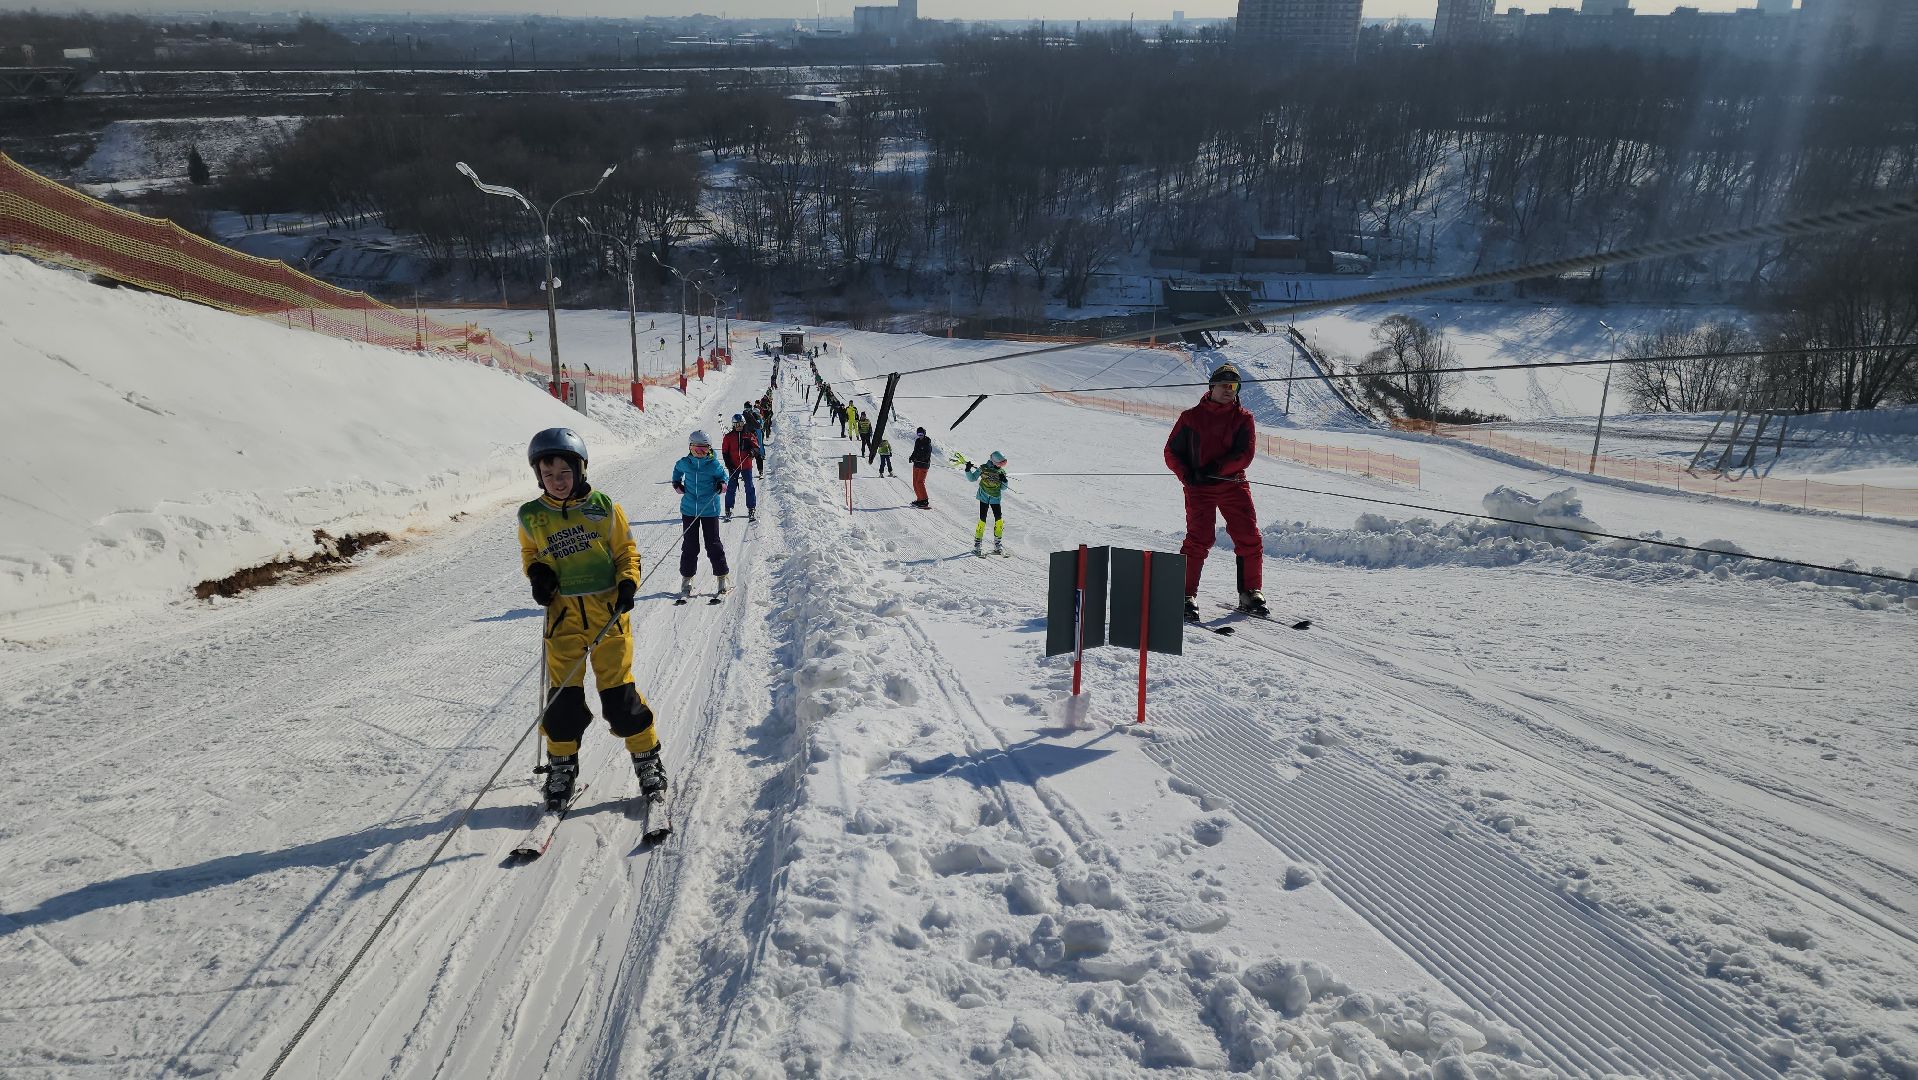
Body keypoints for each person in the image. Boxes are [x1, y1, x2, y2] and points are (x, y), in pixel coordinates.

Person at [517, 427, 664, 809]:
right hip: (562, 618)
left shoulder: (602, 506)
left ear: (580, 469)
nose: (557, 482)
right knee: (562, 700)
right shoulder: (532, 516)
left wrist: (628, 582)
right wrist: (538, 575)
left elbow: (625, 552)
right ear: (538, 476)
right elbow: (531, 554)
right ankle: (562, 766)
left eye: (565, 473)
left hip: (606, 614)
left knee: (619, 696)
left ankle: (647, 759)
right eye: (548, 475)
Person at [1164, 363, 1266, 619]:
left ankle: (1250, 591)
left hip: (1233, 483)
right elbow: (1172, 452)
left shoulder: (1244, 418)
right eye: (1224, 385)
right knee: (1199, 538)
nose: (1229, 391)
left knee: (1248, 537)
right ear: (1212, 387)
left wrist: (1218, 468)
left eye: (1234, 386)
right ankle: (1183, 594)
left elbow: (1245, 454)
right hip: (1200, 487)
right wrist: (1187, 475)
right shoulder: (1191, 418)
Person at [671, 430, 730, 601]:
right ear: (690, 448)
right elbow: (676, 471)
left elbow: (723, 477)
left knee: (713, 544)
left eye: (703, 450)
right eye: (696, 449)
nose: (699, 453)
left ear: (709, 450)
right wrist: (676, 483)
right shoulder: (685, 463)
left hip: (709, 510)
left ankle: (721, 577)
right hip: (689, 509)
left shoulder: (713, 464)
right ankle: (687, 579)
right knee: (690, 545)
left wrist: (721, 485)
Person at [953, 449, 1010, 556]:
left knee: (999, 520)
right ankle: (977, 545)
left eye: (1003, 464)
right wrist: (967, 470)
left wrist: (1004, 480)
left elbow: (1003, 488)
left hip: (995, 498)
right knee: (982, 520)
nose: (1001, 466)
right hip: (984, 496)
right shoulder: (983, 468)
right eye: (999, 463)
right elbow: (972, 479)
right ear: (993, 461)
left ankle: (998, 544)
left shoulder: (1001, 472)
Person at [721, 413, 760, 523]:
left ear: (744, 423)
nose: (739, 426)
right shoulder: (728, 437)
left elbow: (757, 447)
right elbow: (725, 452)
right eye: (736, 424)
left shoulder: (748, 435)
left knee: (749, 487)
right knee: (731, 488)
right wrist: (729, 465)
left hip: (746, 465)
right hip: (734, 466)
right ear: (733, 425)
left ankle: (751, 508)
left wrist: (753, 451)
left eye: (741, 424)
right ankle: (728, 508)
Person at [909, 426, 933, 508]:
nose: (920, 436)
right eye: (918, 434)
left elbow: (927, 454)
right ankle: (919, 499)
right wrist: (912, 457)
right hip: (916, 464)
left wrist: (920, 459)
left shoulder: (927, 443)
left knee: (920, 482)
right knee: (915, 482)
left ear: (924, 433)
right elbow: (915, 451)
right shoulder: (917, 441)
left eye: (921, 434)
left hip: (923, 465)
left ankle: (924, 500)